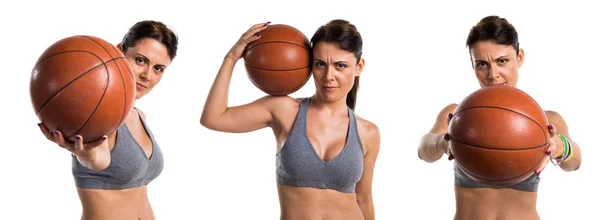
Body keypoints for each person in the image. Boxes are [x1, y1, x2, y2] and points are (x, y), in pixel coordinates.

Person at [200, 19, 380, 220]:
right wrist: (231, 58)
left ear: (359, 67)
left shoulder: (368, 132)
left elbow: (363, 199)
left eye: (340, 66)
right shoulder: (285, 110)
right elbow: (213, 118)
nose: (329, 76)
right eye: (320, 64)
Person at [417, 15, 582, 220]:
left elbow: (574, 163)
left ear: (519, 57)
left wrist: (560, 146)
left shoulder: (545, 120)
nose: (493, 74)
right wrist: (441, 142)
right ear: (473, 65)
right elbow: (424, 151)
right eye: (482, 64)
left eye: (502, 61)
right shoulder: (457, 115)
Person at [37, 20, 178, 220]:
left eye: (158, 68)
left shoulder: (140, 117)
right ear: (119, 51)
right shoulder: (95, 115)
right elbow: (97, 159)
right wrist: (85, 153)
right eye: (140, 60)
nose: (147, 75)